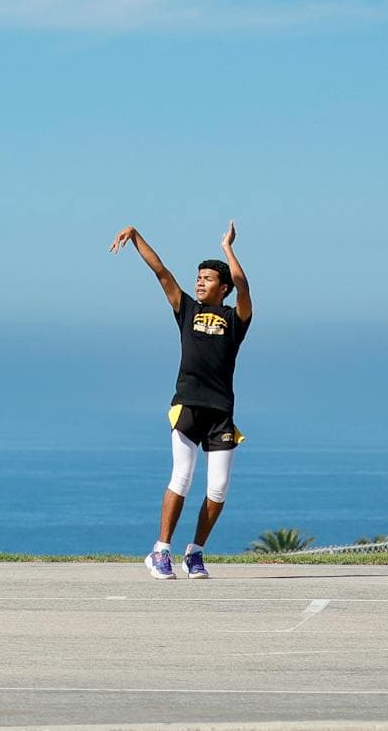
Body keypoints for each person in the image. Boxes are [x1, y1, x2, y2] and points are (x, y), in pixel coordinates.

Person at [109, 221, 253, 579]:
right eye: (198, 277)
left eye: (207, 279)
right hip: (188, 404)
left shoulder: (236, 319)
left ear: (222, 288)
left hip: (221, 412)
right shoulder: (186, 309)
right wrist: (135, 234)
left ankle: (195, 552)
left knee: (218, 489)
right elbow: (161, 272)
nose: (199, 282)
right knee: (183, 476)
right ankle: (160, 551)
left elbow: (244, 285)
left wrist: (227, 248)